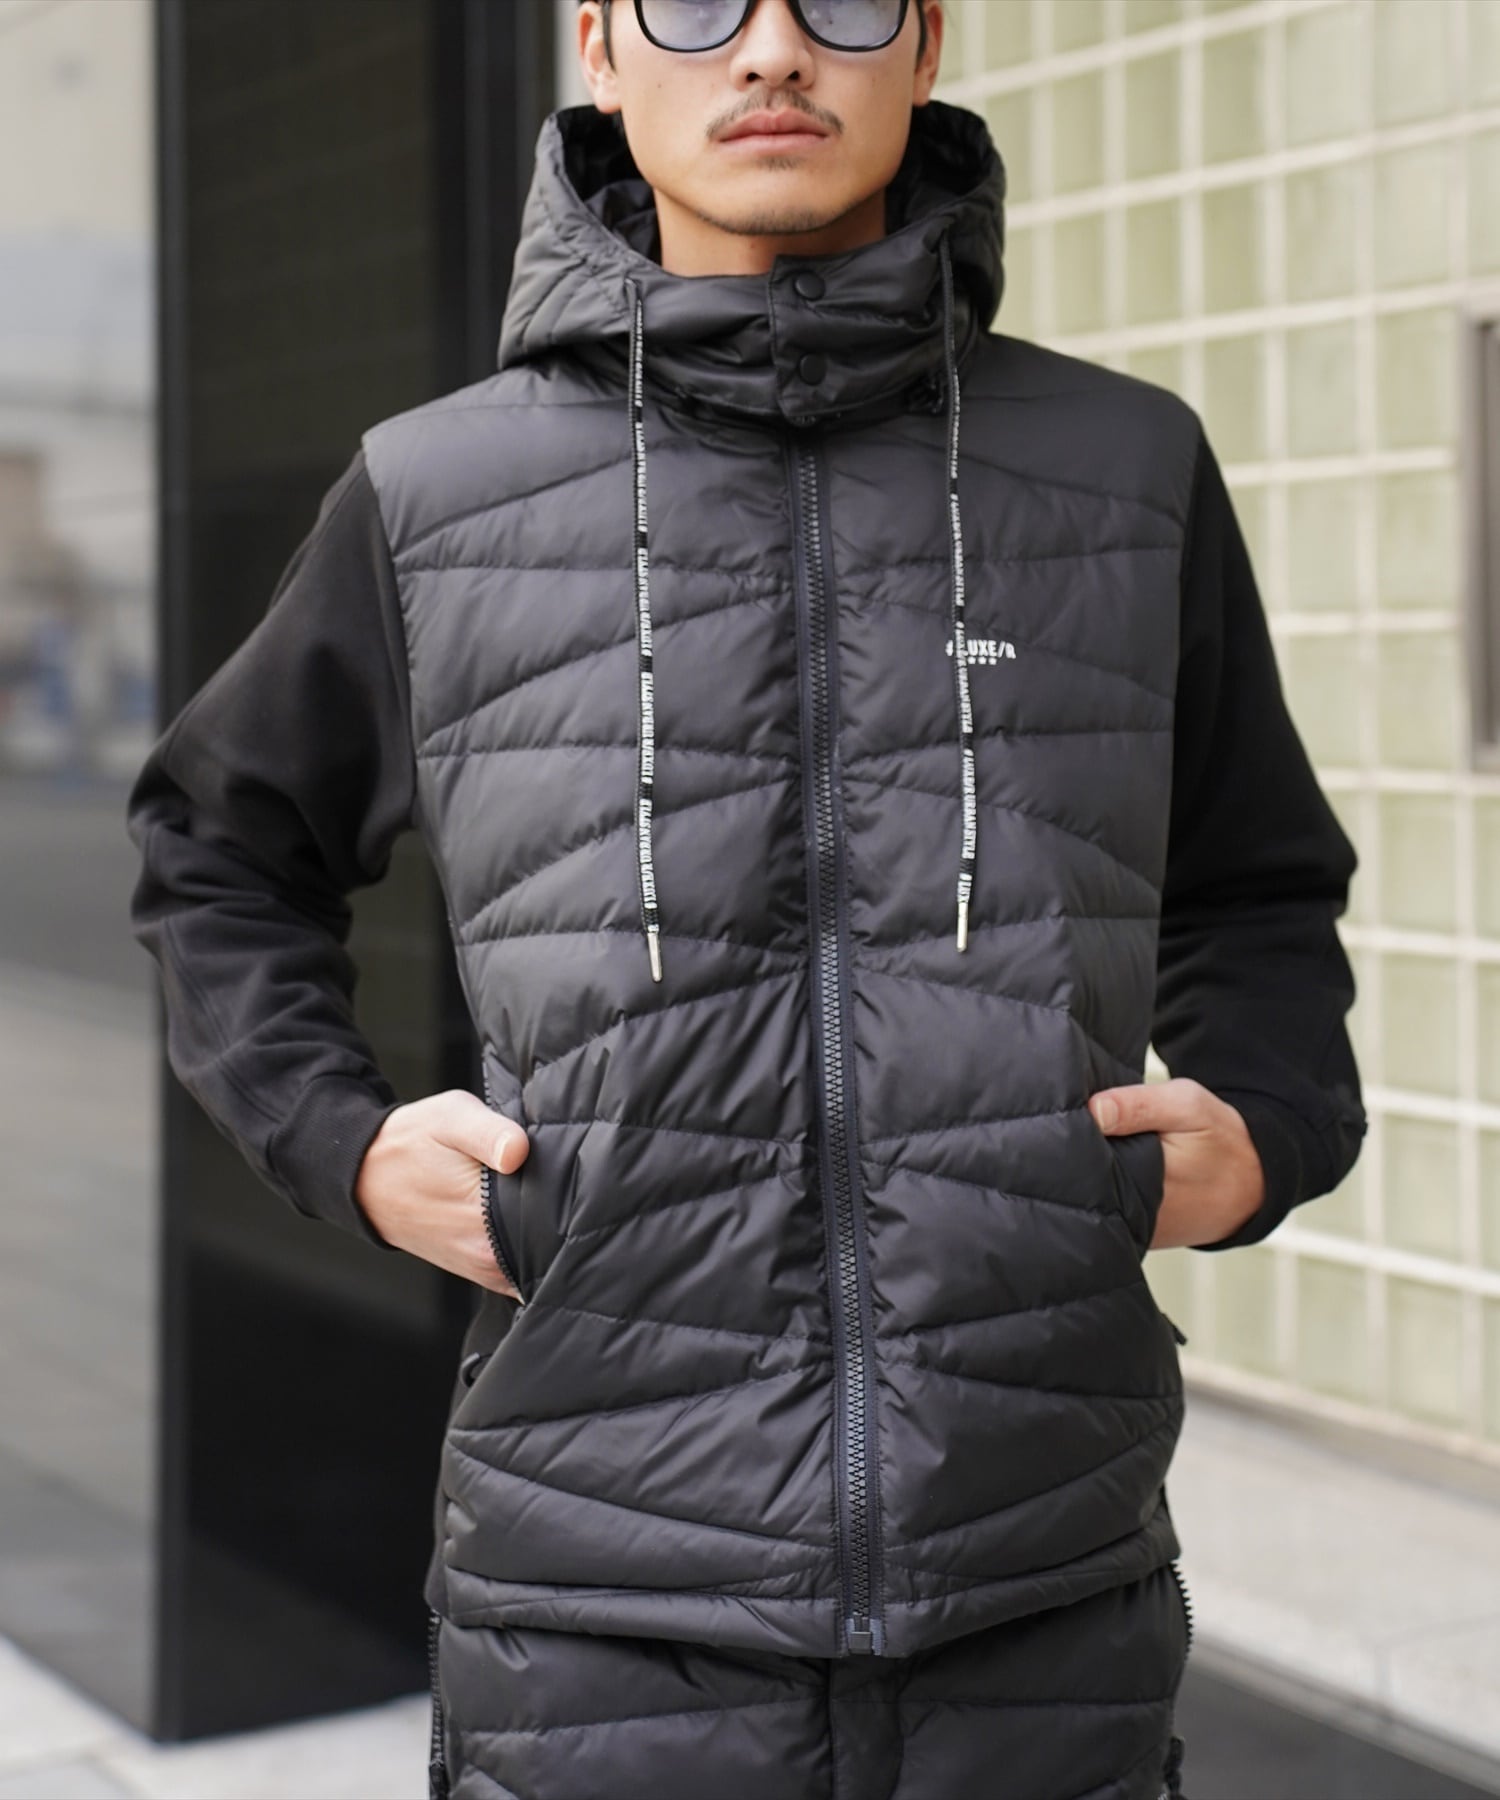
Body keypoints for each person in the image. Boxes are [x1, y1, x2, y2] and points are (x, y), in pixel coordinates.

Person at [125, 1, 1367, 1795]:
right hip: (593, 1588)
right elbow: (220, 848)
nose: (773, 51)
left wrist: (1267, 1120)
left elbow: (1259, 884)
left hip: (1042, 1569)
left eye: (840, 2)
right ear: (599, 48)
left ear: (923, 46)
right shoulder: (434, 489)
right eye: (699, 3)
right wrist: (344, 1140)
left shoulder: (1124, 466)